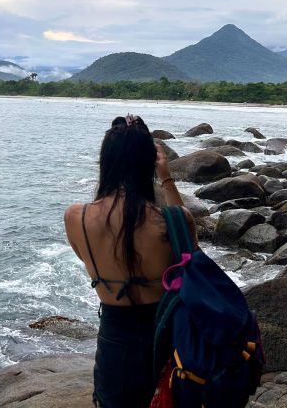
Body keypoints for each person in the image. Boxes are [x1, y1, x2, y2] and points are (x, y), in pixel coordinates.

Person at [64, 114, 197, 408]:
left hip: (115, 340)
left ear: (106, 162)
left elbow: (85, 257)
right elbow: (191, 258)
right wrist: (165, 176)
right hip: (167, 338)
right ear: (149, 162)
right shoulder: (172, 220)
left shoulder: (77, 217)